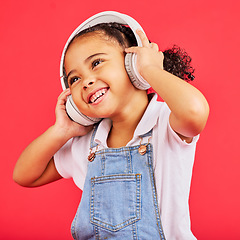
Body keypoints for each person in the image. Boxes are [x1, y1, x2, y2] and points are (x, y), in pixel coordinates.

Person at [13, 12, 209, 240]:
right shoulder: (88, 144)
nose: (85, 81)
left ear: (133, 64)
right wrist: (61, 131)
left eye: (96, 63)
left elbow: (195, 112)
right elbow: (24, 175)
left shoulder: (166, 123)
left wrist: (151, 69)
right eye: (74, 79)